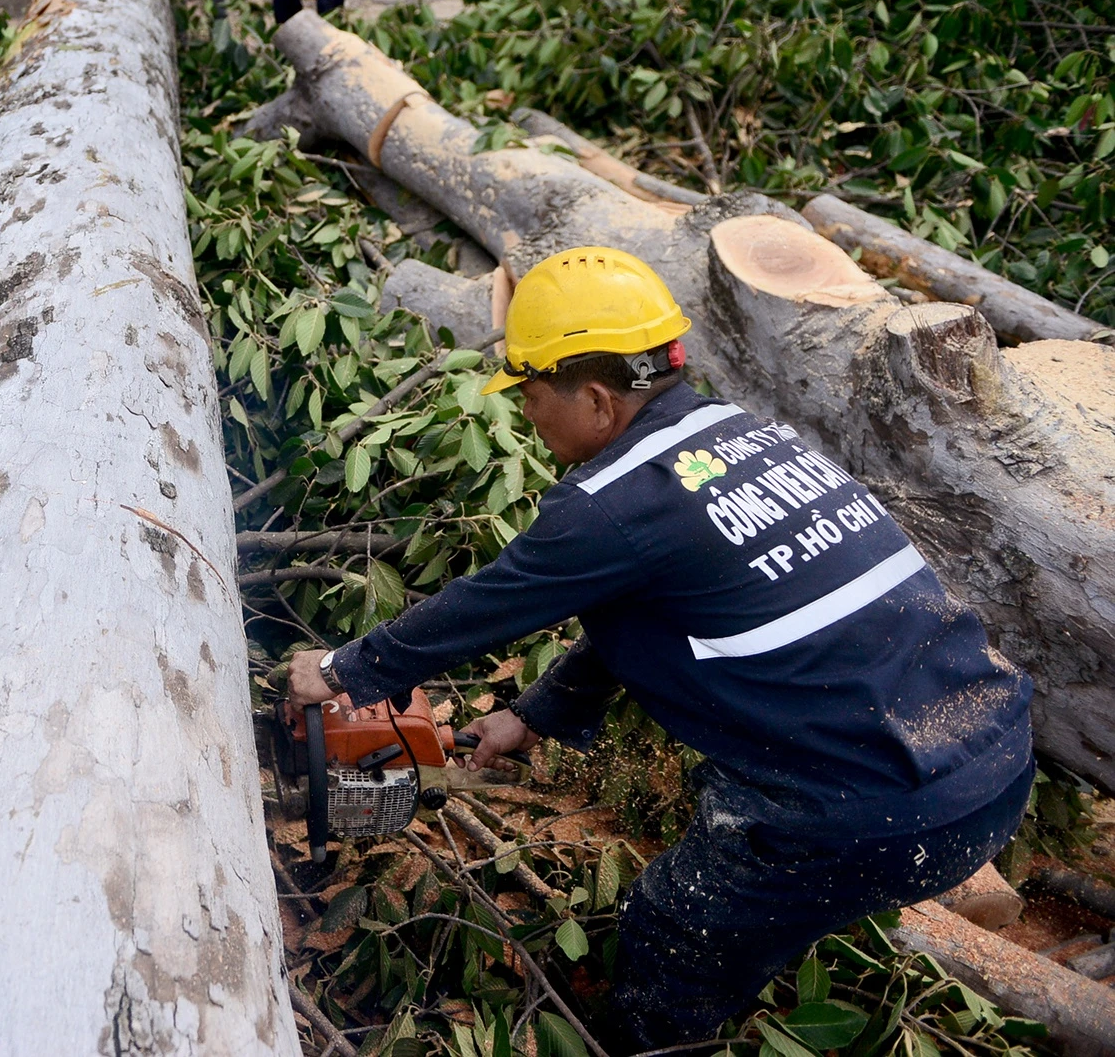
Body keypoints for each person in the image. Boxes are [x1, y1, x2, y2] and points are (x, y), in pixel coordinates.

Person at [285, 247, 1034, 1051]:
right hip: (993, 761)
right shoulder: (749, 437)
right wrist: (532, 717)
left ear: (599, 401)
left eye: (533, 397)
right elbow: (651, 608)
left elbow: (482, 609)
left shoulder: (608, 505)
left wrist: (337, 671)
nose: (528, 418)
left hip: (876, 809)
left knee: (674, 930)